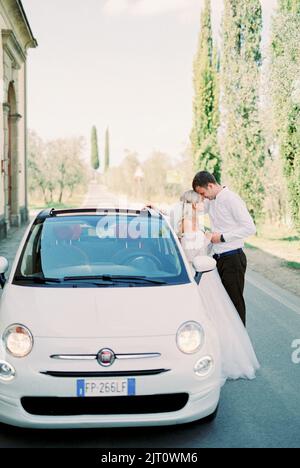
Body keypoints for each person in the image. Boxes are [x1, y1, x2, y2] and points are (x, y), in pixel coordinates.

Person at [177, 190, 260, 384]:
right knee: (209, 316)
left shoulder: (198, 220)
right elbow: (189, 255)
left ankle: (230, 353)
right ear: (192, 205)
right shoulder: (187, 223)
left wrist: (209, 238)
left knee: (225, 313)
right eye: (199, 201)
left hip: (210, 273)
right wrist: (206, 240)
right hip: (200, 274)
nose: (203, 203)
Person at [192, 171, 256, 326]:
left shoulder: (231, 199)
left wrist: (221, 237)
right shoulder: (211, 200)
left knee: (234, 304)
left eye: (203, 193)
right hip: (218, 258)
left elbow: (250, 228)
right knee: (223, 304)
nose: (203, 197)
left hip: (233, 258)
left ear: (211, 185)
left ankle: (241, 344)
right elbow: (193, 210)